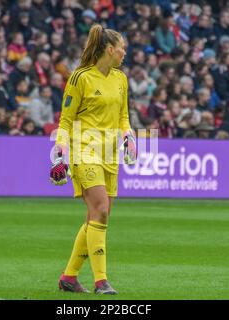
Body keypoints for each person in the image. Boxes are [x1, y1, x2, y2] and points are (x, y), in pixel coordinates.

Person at [49, 25, 136, 295]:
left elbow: (123, 115)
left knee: (96, 216)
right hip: (84, 150)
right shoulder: (80, 78)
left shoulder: (121, 79)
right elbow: (65, 120)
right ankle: (102, 282)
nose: (125, 52)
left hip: (110, 154)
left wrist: (129, 135)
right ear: (110, 50)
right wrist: (59, 150)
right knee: (101, 210)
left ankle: (69, 278)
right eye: (122, 47)